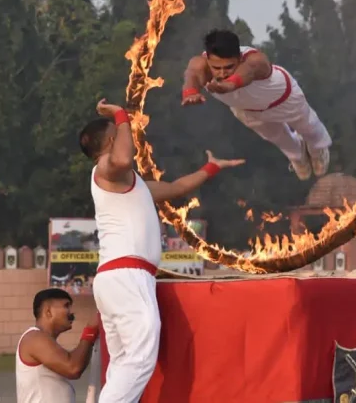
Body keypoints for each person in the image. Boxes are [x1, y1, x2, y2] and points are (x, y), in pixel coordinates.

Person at [79, 98, 244, 402]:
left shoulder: (131, 184)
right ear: (114, 139)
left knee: (123, 363)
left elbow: (178, 188)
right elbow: (123, 159)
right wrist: (120, 114)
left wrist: (211, 168)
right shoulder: (106, 169)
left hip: (118, 278)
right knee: (140, 358)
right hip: (126, 277)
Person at [181, 28, 332, 180]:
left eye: (228, 67)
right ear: (208, 60)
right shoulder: (201, 66)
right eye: (217, 68)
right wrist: (190, 92)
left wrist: (229, 85)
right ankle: (297, 156)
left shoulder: (255, 60)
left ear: (239, 58)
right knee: (277, 137)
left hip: (284, 99)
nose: (222, 73)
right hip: (247, 110)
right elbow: (192, 74)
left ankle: (318, 148)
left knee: (309, 127)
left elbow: (248, 72)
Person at [16, 288, 101, 403]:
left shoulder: (42, 340)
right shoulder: (34, 338)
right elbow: (73, 367)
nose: (71, 313)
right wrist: (90, 331)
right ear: (48, 312)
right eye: (66, 306)